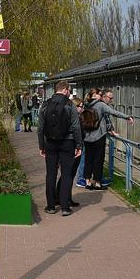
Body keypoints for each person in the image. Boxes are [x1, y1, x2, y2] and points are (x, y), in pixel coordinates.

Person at [38, 80, 83, 216]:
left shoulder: (45, 105)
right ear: (64, 90)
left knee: (51, 174)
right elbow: (76, 127)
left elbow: (40, 128)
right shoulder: (70, 105)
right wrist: (79, 145)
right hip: (67, 143)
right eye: (69, 90)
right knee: (66, 174)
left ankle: (51, 206)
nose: (69, 93)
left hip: (50, 143)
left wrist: (41, 145)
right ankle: (65, 207)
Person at [83, 88, 134, 190]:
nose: (101, 96)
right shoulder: (101, 105)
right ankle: (97, 183)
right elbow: (114, 112)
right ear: (95, 95)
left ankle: (87, 182)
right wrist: (127, 117)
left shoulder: (86, 105)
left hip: (87, 136)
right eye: (100, 94)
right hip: (99, 136)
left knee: (88, 160)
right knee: (98, 160)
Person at [54, 97, 84, 208]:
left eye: (82, 106)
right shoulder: (74, 119)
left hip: (70, 147)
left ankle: (62, 197)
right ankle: (64, 198)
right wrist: (79, 145)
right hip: (73, 148)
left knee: (67, 175)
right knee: (68, 175)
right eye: (80, 106)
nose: (82, 108)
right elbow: (79, 133)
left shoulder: (69, 117)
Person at [76, 89, 100, 188]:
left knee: (84, 159)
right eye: (80, 106)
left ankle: (83, 178)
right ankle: (81, 178)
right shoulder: (79, 115)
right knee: (83, 159)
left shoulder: (82, 112)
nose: (82, 108)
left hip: (83, 138)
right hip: (83, 139)